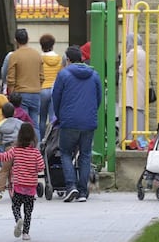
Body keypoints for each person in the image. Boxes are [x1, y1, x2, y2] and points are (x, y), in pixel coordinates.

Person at [52, 45, 102, 202]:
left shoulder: (63, 75)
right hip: (89, 122)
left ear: (67, 59)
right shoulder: (94, 74)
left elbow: (56, 98)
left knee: (66, 152)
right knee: (85, 155)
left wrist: (60, 116)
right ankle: (82, 191)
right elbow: (99, 98)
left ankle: (71, 186)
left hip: (69, 121)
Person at [0, 123, 45, 241]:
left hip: (19, 186)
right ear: (33, 137)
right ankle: (26, 233)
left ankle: (18, 219)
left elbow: (2, 157)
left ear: (19, 136)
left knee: (15, 206)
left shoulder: (15, 150)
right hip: (30, 188)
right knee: (28, 211)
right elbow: (41, 167)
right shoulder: (36, 153)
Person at [7, 29, 44, 140]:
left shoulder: (14, 55)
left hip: (21, 93)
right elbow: (42, 76)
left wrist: (11, 93)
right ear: (28, 39)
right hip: (36, 93)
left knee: (22, 124)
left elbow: (11, 78)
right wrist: (37, 86)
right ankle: (36, 149)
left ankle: (24, 151)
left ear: (15, 40)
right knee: (34, 123)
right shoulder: (37, 55)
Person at [118, 33, 147, 148]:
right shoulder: (142, 52)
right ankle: (140, 142)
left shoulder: (133, 52)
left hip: (132, 88)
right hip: (139, 87)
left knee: (131, 116)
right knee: (138, 116)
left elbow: (122, 68)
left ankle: (131, 142)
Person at [0, 102, 23, 203]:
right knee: (23, 168)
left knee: (5, 170)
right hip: (20, 148)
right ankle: (25, 189)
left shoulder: (1, 125)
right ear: (14, 112)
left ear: (3, 114)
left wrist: (1, 142)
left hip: (9, 148)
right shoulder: (20, 123)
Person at [39, 34, 61, 140]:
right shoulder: (60, 59)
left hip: (42, 89)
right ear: (53, 45)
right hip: (54, 89)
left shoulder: (40, 59)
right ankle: (51, 140)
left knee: (42, 119)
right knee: (53, 118)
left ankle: (42, 140)